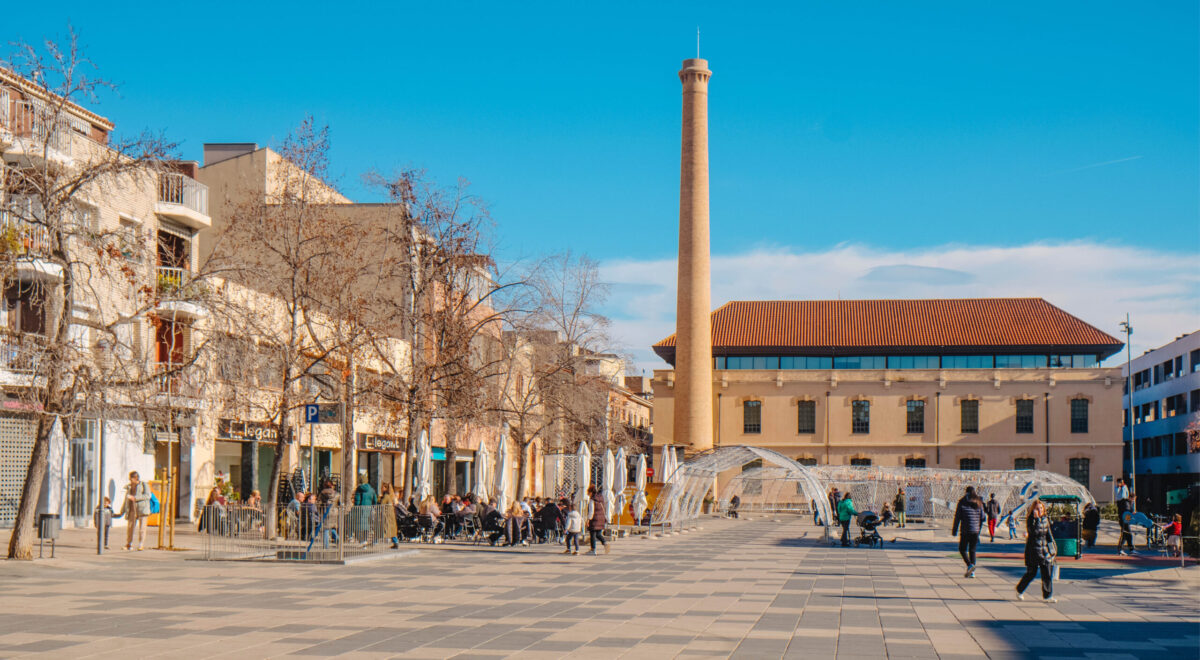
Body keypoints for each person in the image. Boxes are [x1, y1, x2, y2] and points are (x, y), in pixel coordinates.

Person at [1015, 499, 1058, 603]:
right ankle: (1019, 590)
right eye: (1037, 508)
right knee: (1031, 573)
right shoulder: (1031, 520)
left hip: (1045, 550)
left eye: (1041, 508)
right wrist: (1037, 519)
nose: (1040, 510)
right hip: (1033, 550)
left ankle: (1048, 596)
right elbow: (1034, 532)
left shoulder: (1045, 519)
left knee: (1047, 573)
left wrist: (1053, 547)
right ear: (1033, 510)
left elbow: (1049, 535)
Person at [952, 486, 985, 578]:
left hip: (965, 530)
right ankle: (972, 572)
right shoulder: (979, 502)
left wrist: (954, 529)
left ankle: (970, 565)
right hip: (975, 530)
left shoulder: (962, 502)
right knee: (972, 550)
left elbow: (957, 517)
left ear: (966, 492)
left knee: (962, 549)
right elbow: (983, 517)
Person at [118, 471, 152, 551]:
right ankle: (129, 544)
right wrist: (123, 510)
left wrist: (135, 498)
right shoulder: (129, 487)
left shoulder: (144, 485)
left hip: (142, 509)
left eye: (131, 479)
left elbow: (148, 496)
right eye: (130, 479)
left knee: (142, 528)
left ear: (136, 478)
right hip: (132, 509)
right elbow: (126, 499)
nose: (130, 480)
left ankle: (141, 544)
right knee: (130, 527)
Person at [586, 485, 609, 555]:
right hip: (601, 518)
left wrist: (588, 520)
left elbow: (591, 511)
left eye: (588, 492)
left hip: (594, 519)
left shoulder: (592, 500)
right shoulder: (600, 498)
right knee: (598, 533)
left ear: (590, 492)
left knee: (592, 534)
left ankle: (593, 550)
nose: (587, 493)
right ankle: (605, 543)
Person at [1115, 479, 1135, 555]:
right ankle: (1127, 549)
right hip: (1124, 519)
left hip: (1125, 519)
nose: (1133, 501)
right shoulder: (1124, 502)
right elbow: (1121, 495)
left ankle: (1128, 549)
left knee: (1126, 534)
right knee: (1126, 533)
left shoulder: (1127, 503)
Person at [379, 483, 400, 548]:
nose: (381, 489)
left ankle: (374, 542)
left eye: (382, 487)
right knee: (391, 529)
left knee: (386, 528)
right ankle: (395, 542)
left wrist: (379, 499)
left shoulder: (386, 496)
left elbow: (382, 504)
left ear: (385, 488)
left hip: (387, 515)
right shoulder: (391, 496)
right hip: (391, 515)